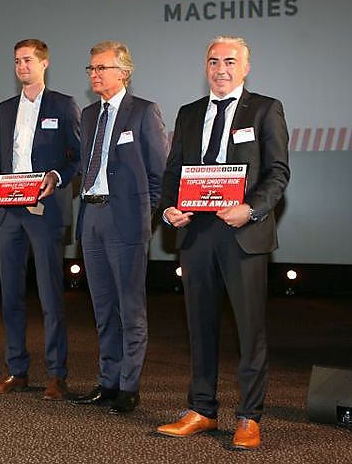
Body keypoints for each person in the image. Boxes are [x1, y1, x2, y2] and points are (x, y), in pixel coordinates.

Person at [157, 36, 290, 449]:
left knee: (249, 330)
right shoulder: (189, 113)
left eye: (230, 61)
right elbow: (173, 173)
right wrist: (169, 209)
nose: (221, 69)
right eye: (213, 61)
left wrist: (250, 209)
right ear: (205, 67)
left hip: (243, 234)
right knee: (200, 327)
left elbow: (278, 173)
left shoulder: (265, 109)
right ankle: (202, 409)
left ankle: (249, 417)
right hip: (196, 234)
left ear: (246, 67)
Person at [0, 39, 81, 400]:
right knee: (10, 295)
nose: (22, 66)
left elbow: (77, 157)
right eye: (17, 61)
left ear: (44, 63)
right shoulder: (5, 109)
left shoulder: (63, 105)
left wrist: (56, 176)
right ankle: (16, 370)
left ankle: (56, 375)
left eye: (28, 60)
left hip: (44, 211)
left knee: (50, 295)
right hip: (8, 211)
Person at [71, 41, 166, 414]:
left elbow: (159, 174)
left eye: (101, 68)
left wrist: (144, 215)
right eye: (91, 68)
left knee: (130, 308)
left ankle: (129, 385)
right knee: (103, 308)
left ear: (124, 72)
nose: (94, 74)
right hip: (91, 216)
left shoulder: (143, 112)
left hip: (126, 220)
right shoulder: (89, 115)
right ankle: (107, 381)